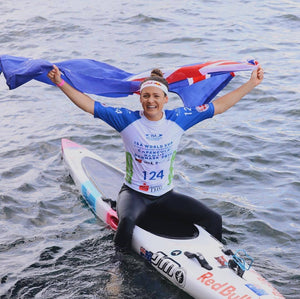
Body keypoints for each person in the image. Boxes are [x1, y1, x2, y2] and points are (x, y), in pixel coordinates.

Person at [48, 64, 264, 251]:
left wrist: (251, 84)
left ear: (165, 99)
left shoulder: (180, 118)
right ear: (140, 98)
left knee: (214, 219)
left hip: (165, 196)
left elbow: (220, 106)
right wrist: (61, 83)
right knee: (127, 222)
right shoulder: (125, 119)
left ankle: (220, 259)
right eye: (146, 96)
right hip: (134, 195)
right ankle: (116, 273)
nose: (151, 101)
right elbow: (89, 105)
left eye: (156, 96)